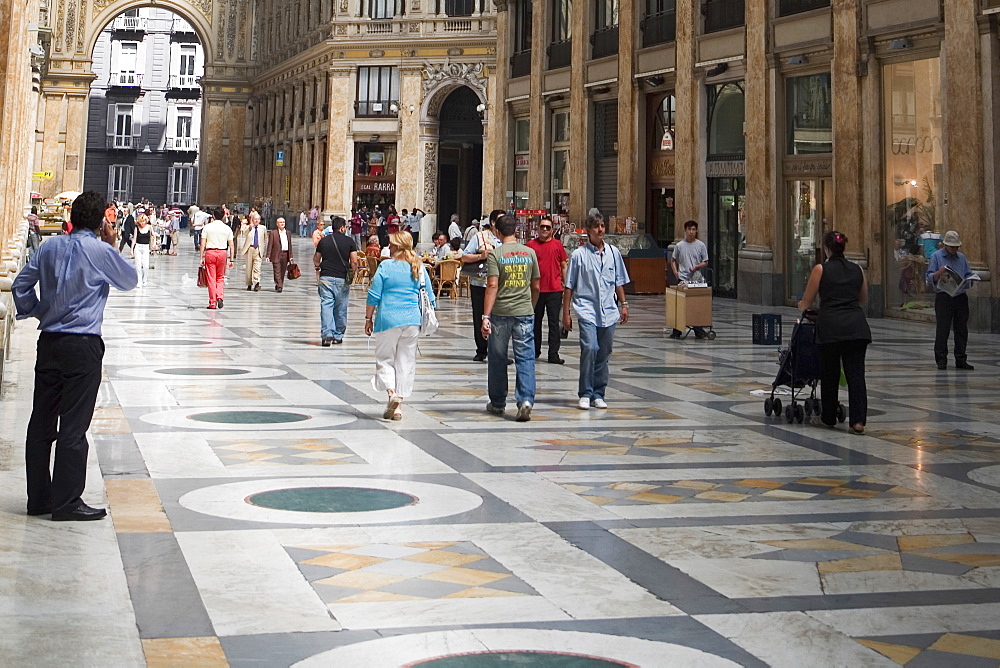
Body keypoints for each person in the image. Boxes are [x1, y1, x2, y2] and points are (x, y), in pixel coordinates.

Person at [12, 191, 138, 521]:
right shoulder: (99, 251)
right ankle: (67, 502)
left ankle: (38, 498)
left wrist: (40, 311)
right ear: (100, 222)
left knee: (41, 420)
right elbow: (130, 279)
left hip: (50, 342)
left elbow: (19, 286)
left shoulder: (50, 246)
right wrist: (111, 243)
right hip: (82, 346)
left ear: (72, 217)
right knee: (73, 425)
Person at [797, 231, 871, 434]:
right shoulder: (858, 269)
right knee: (856, 375)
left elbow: (807, 302)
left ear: (827, 248)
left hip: (830, 328)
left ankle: (828, 416)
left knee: (829, 374)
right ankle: (858, 422)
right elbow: (863, 299)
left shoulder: (821, 269)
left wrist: (801, 305)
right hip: (857, 328)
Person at [365, 231, 435, 421]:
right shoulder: (418, 266)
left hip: (388, 319)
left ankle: (391, 394)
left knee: (385, 359)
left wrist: (368, 318)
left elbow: (374, 295)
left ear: (396, 247)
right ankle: (398, 408)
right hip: (412, 320)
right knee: (405, 362)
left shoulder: (386, 266)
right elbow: (431, 297)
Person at [563, 213, 630, 410]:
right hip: (586, 309)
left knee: (604, 351)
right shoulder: (578, 255)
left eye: (602, 226)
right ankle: (585, 392)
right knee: (590, 348)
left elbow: (618, 281)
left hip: (609, 310)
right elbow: (569, 285)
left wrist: (624, 304)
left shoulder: (613, 253)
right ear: (588, 231)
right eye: (596, 227)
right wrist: (565, 312)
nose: (600, 230)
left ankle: (598, 393)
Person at [482, 214, 540, 421]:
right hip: (524, 312)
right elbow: (536, 286)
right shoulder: (530, 253)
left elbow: (492, 286)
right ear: (516, 230)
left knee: (497, 358)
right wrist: (530, 306)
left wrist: (485, 316)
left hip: (500, 313)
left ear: (497, 231)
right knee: (525, 357)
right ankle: (526, 400)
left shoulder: (495, 255)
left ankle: (498, 403)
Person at [926, 230, 976, 371]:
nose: (955, 250)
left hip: (960, 296)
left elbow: (968, 274)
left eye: (957, 247)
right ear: (946, 245)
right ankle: (941, 359)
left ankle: (961, 358)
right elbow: (929, 277)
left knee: (961, 329)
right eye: (952, 247)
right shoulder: (936, 257)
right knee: (943, 329)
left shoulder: (962, 258)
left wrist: (970, 279)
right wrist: (938, 273)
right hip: (944, 297)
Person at [462, 210, 504, 361]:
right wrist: (481, 256)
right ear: (492, 223)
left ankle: (499, 350)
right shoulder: (480, 237)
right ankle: (481, 349)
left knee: (499, 317)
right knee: (480, 314)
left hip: (500, 284)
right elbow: (464, 256)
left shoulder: (507, 238)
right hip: (480, 283)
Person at [528, 216, 569, 364]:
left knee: (554, 323)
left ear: (552, 230)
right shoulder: (531, 245)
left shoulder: (558, 245)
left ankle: (553, 353)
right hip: (536, 290)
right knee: (535, 322)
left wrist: (567, 284)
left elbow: (564, 265)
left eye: (548, 227)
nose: (545, 229)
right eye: (542, 227)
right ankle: (535, 350)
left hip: (554, 289)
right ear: (538, 228)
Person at [314, 216, 358, 345]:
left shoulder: (324, 241)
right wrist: (353, 273)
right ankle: (338, 335)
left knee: (326, 305)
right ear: (342, 227)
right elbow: (354, 261)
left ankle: (327, 334)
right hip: (342, 278)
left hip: (326, 276)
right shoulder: (349, 242)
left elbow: (316, 258)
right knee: (341, 307)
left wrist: (318, 266)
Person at [670, 220, 710, 339]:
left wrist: (697, 266)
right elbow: (673, 260)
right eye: (689, 229)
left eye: (693, 230)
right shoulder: (679, 246)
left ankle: (698, 330)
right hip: (682, 278)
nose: (691, 232)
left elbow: (706, 261)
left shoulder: (701, 245)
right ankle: (677, 331)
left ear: (696, 231)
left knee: (696, 305)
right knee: (679, 305)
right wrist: (676, 272)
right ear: (685, 230)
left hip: (696, 279)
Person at [199, 208, 236, 309]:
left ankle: (212, 302)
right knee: (220, 277)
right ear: (224, 216)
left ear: (213, 216)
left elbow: (202, 244)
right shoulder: (227, 228)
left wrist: (201, 257)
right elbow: (232, 245)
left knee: (211, 278)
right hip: (222, 253)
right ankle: (220, 296)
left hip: (210, 252)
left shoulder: (207, 227)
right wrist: (231, 259)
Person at [240, 211, 266, 291]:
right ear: (252, 219)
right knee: (249, 268)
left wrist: (263, 248)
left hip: (258, 249)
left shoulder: (263, 228)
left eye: (258, 219)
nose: (256, 221)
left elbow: (265, 239)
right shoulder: (248, 227)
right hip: (249, 249)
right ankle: (249, 283)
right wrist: (249, 228)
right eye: (255, 219)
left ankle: (257, 282)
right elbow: (244, 234)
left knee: (257, 267)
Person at [266, 217, 293, 292]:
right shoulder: (273, 233)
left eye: (283, 222)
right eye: (280, 222)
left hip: (285, 253)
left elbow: (290, 245)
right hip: (276, 254)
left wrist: (290, 256)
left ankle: (279, 283)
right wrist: (268, 255)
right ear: (277, 224)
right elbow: (270, 244)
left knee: (282, 271)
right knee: (277, 270)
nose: (282, 224)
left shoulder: (288, 233)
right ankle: (279, 286)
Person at [131, 211, 153, 287]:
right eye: (141, 221)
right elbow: (134, 239)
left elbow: (152, 237)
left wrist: (153, 245)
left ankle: (144, 279)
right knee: (138, 264)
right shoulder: (137, 228)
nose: (142, 223)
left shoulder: (149, 227)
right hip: (138, 246)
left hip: (146, 247)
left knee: (146, 265)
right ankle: (139, 281)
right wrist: (131, 249)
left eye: (144, 221)